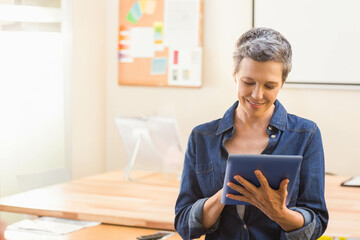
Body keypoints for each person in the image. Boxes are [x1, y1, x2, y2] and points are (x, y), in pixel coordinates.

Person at [174, 27, 328, 240]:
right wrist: (225, 194)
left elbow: (317, 223)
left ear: (282, 83)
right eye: (248, 82)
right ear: (235, 75)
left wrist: (280, 214)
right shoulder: (202, 138)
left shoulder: (306, 135)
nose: (257, 94)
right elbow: (184, 224)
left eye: (270, 86)